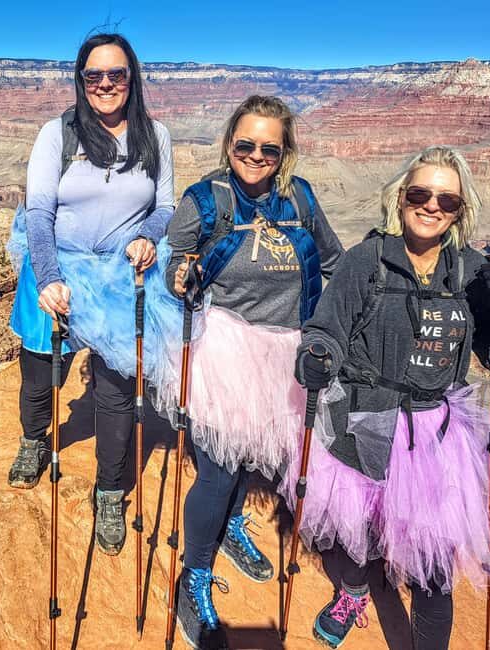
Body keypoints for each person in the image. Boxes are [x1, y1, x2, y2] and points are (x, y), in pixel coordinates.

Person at [285, 146, 490, 649]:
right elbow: (327, 328)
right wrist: (317, 354)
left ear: (459, 212)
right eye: (421, 194)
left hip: (435, 434)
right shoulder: (367, 262)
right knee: (359, 526)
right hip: (365, 417)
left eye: (447, 200)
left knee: (433, 566)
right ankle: (353, 593)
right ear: (401, 199)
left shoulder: (472, 272)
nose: (431, 207)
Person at [157, 95, 344, 648]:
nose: (256, 155)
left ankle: (234, 524)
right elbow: (176, 258)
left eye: (269, 146)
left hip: (287, 350)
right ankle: (193, 575)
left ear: (284, 151)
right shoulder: (205, 200)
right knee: (218, 469)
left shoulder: (300, 198)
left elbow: (334, 262)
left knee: (255, 454)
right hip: (226, 348)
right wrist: (178, 277)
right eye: (245, 144)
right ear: (228, 144)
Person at [5, 32, 175, 557]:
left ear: (132, 79)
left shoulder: (155, 135)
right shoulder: (58, 134)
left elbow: (164, 205)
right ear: (80, 81)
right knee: (40, 376)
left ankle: (109, 490)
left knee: (116, 393)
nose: (105, 84)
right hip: (57, 268)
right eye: (93, 76)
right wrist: (50, 276)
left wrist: (150, 235)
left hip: (120, 277)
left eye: (116, 75)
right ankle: (35, 441)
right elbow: (38, 213)